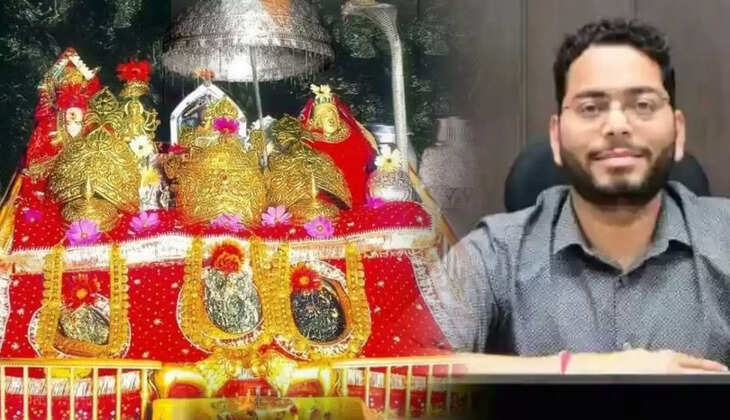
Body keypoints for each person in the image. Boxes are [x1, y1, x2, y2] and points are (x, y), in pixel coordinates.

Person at [435, 18, 730, 374]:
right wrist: (586, 368)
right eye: (591, 107)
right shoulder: (493, 253)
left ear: (678, 131)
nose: (617, 125)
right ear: (557, 136)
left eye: (642, 104)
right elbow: (407, 364)